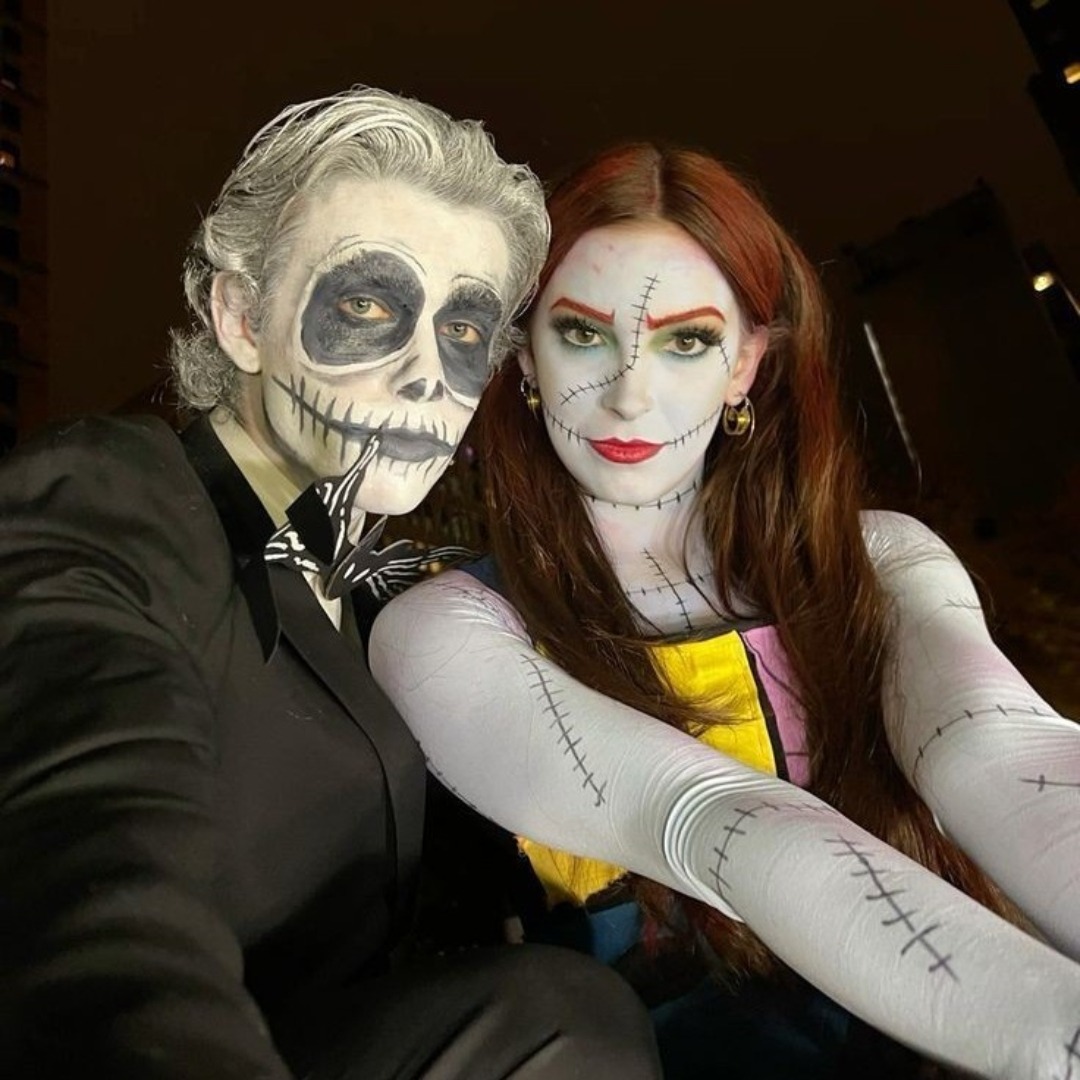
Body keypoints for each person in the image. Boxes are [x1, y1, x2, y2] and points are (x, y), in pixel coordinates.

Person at [369, 141, 1080, 1079]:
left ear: (747, 362)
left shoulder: (877, 560)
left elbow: (996, 746)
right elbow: (712, 818)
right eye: (582, 333)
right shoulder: (447, 632)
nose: (630, 394)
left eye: (687, 341)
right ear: (525, 352)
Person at [0, 89, 664, 1079]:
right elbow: (91, 883)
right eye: (366, 306)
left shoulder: (377, 606)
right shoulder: (110, 497)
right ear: (241, 318)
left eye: (465, 328)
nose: (427, 374)